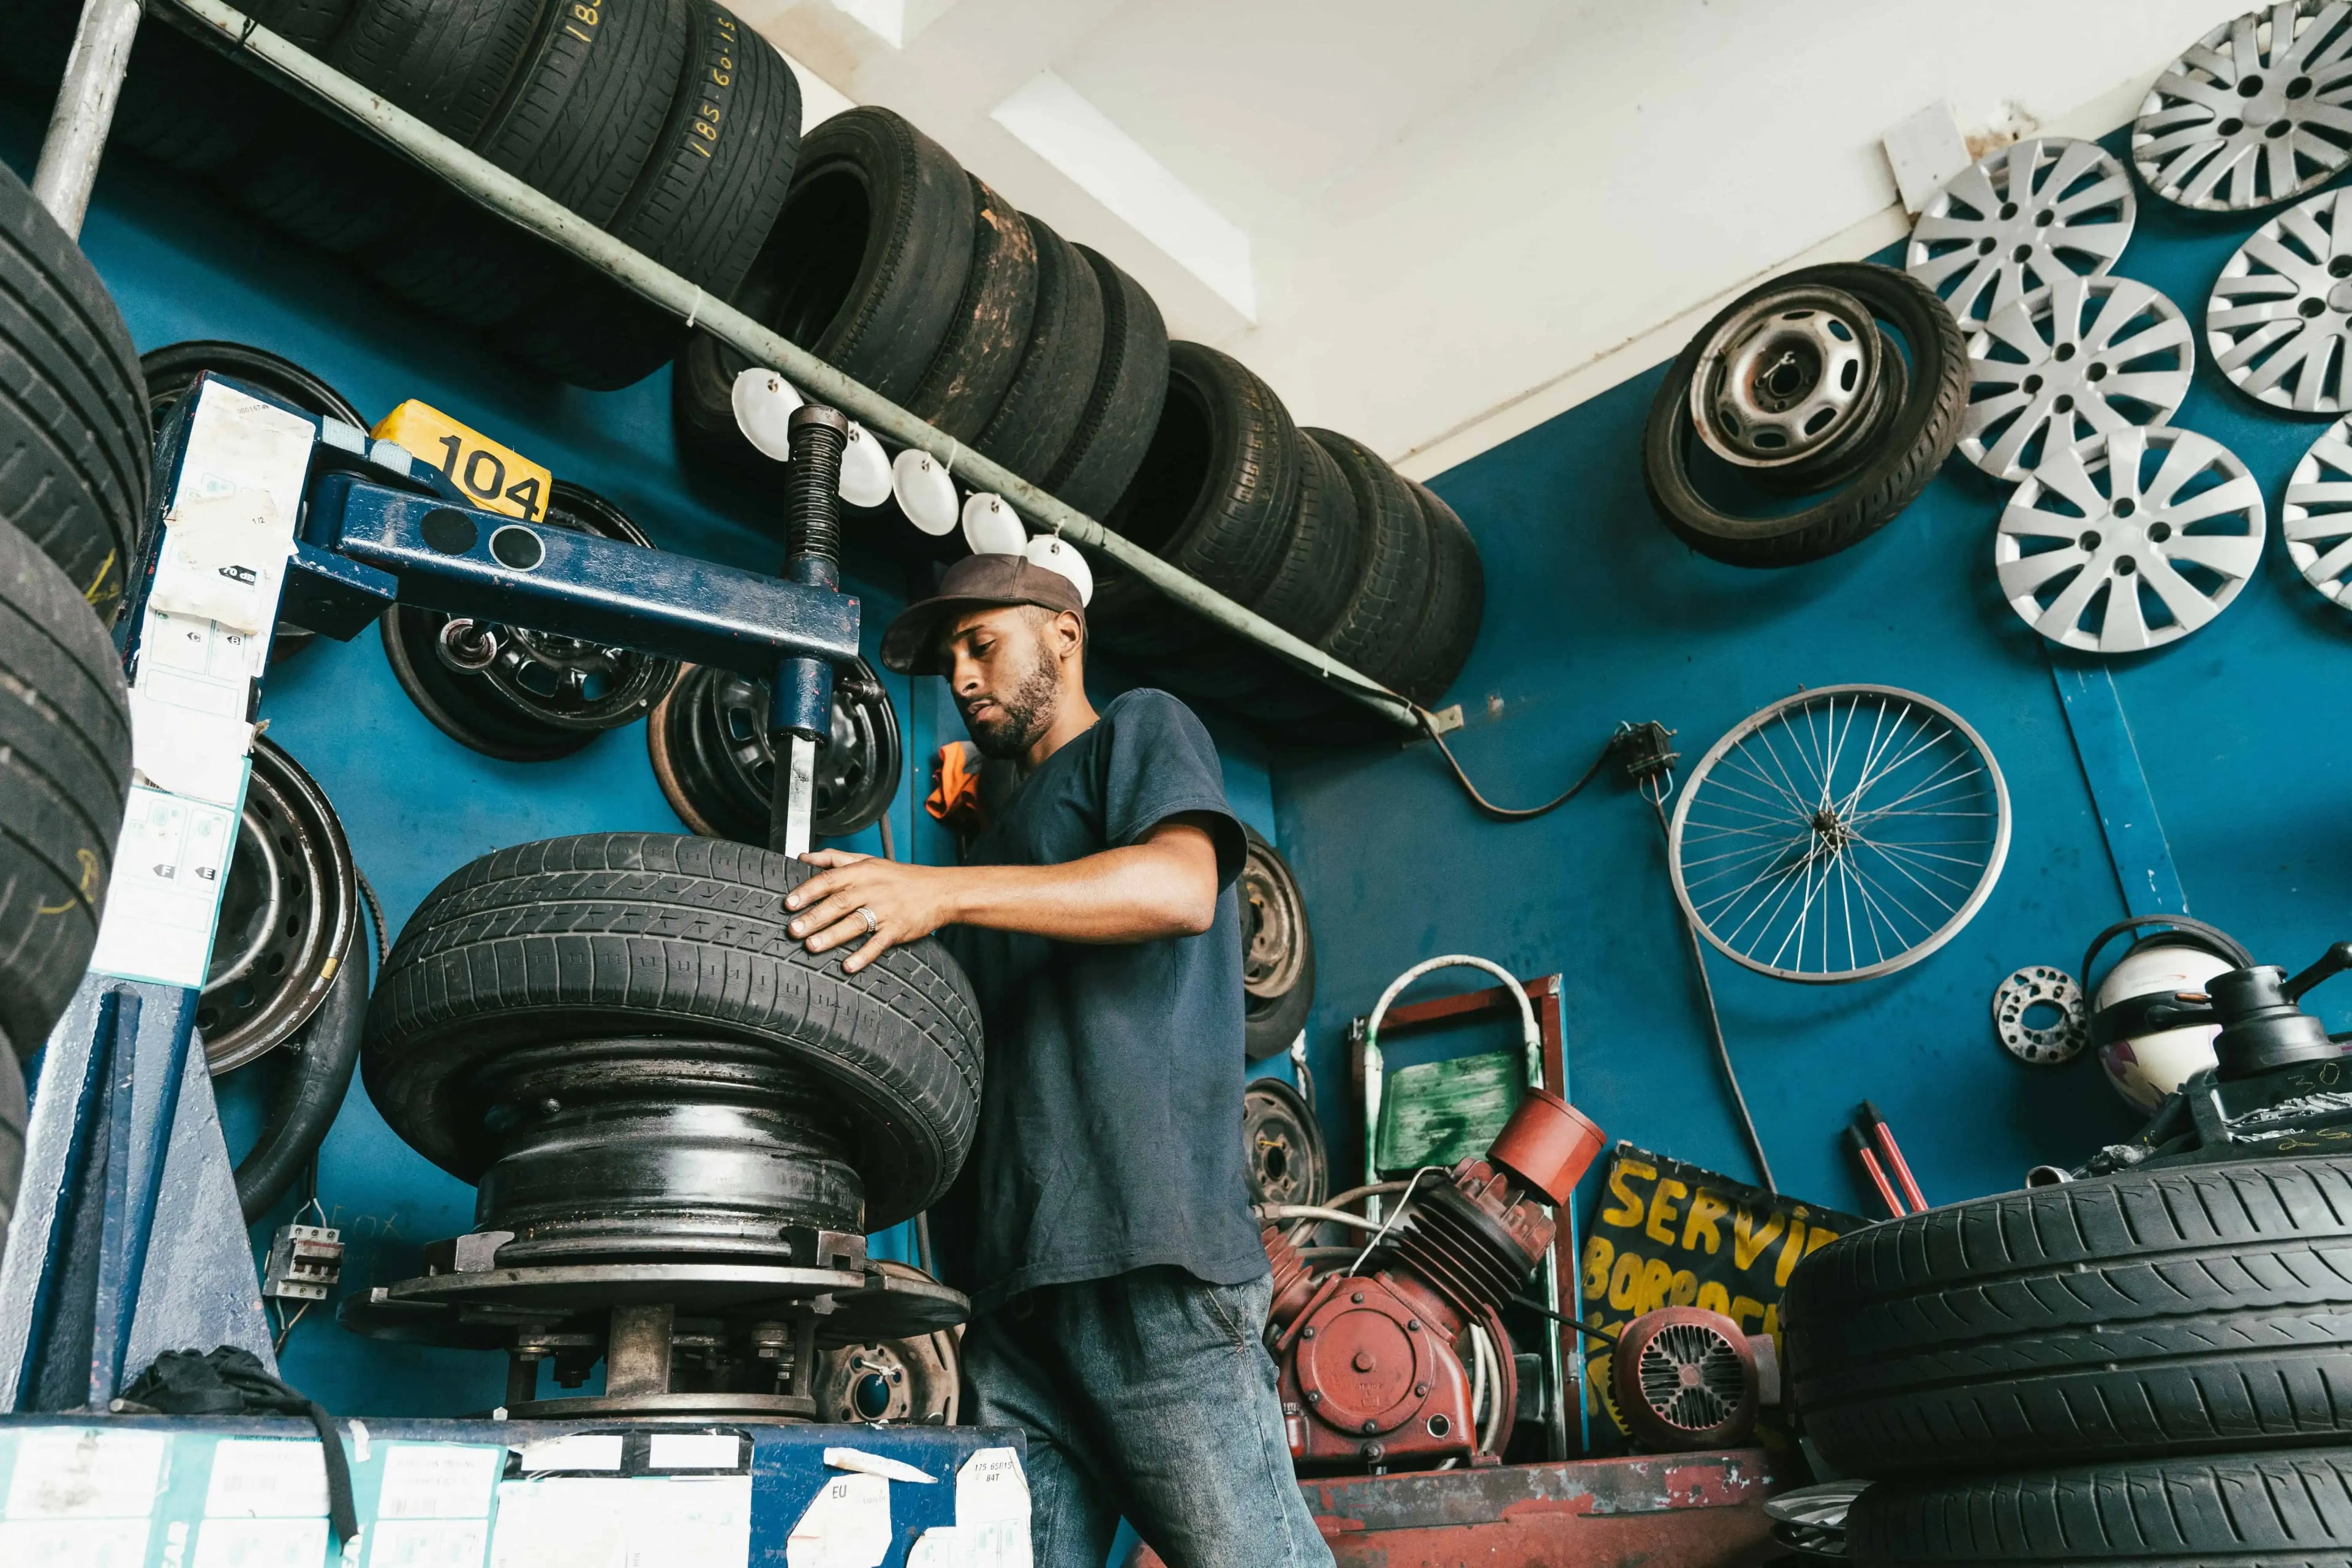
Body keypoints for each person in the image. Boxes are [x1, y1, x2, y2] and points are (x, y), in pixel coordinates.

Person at [781, 554, 1331, 1568]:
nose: (964, 678)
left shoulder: (1142, 730)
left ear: (1065, 637)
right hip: (1011, 1298)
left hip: (1144, 1270)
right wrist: (968, 845)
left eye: (984, 644)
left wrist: (941, 891)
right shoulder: (1002, 840)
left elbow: (1176, 889)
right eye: (950, 662)